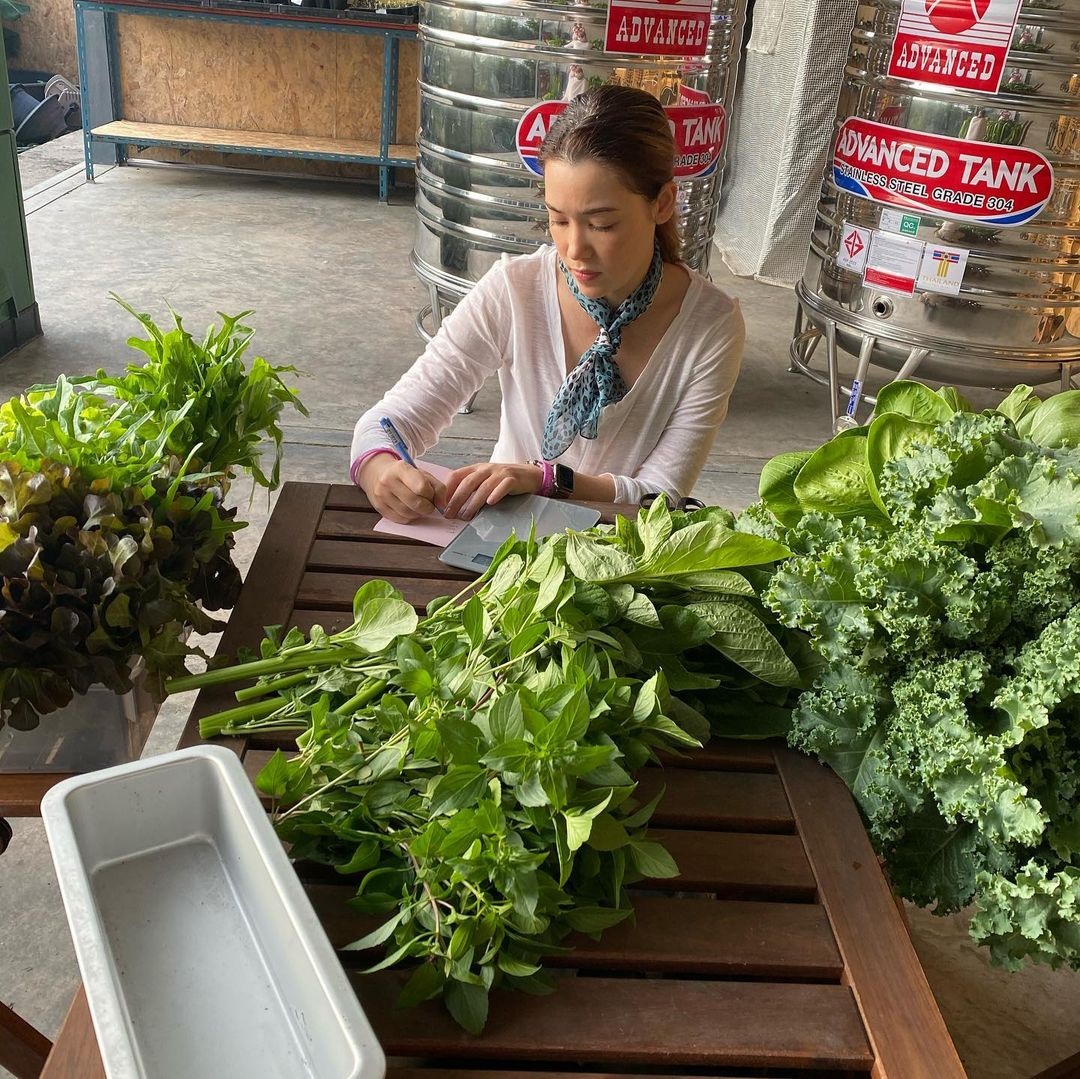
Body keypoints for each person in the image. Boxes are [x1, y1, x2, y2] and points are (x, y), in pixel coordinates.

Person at [351, 85, 745, 523]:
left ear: (663, 204)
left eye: (601, 224)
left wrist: (548, 480)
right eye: (558, 219)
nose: (574, 247)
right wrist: (379, 466)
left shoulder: (711, 324)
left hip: (625, 560)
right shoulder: (515, 290)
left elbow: (661, 497)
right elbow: (389, 420)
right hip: (503, 549)